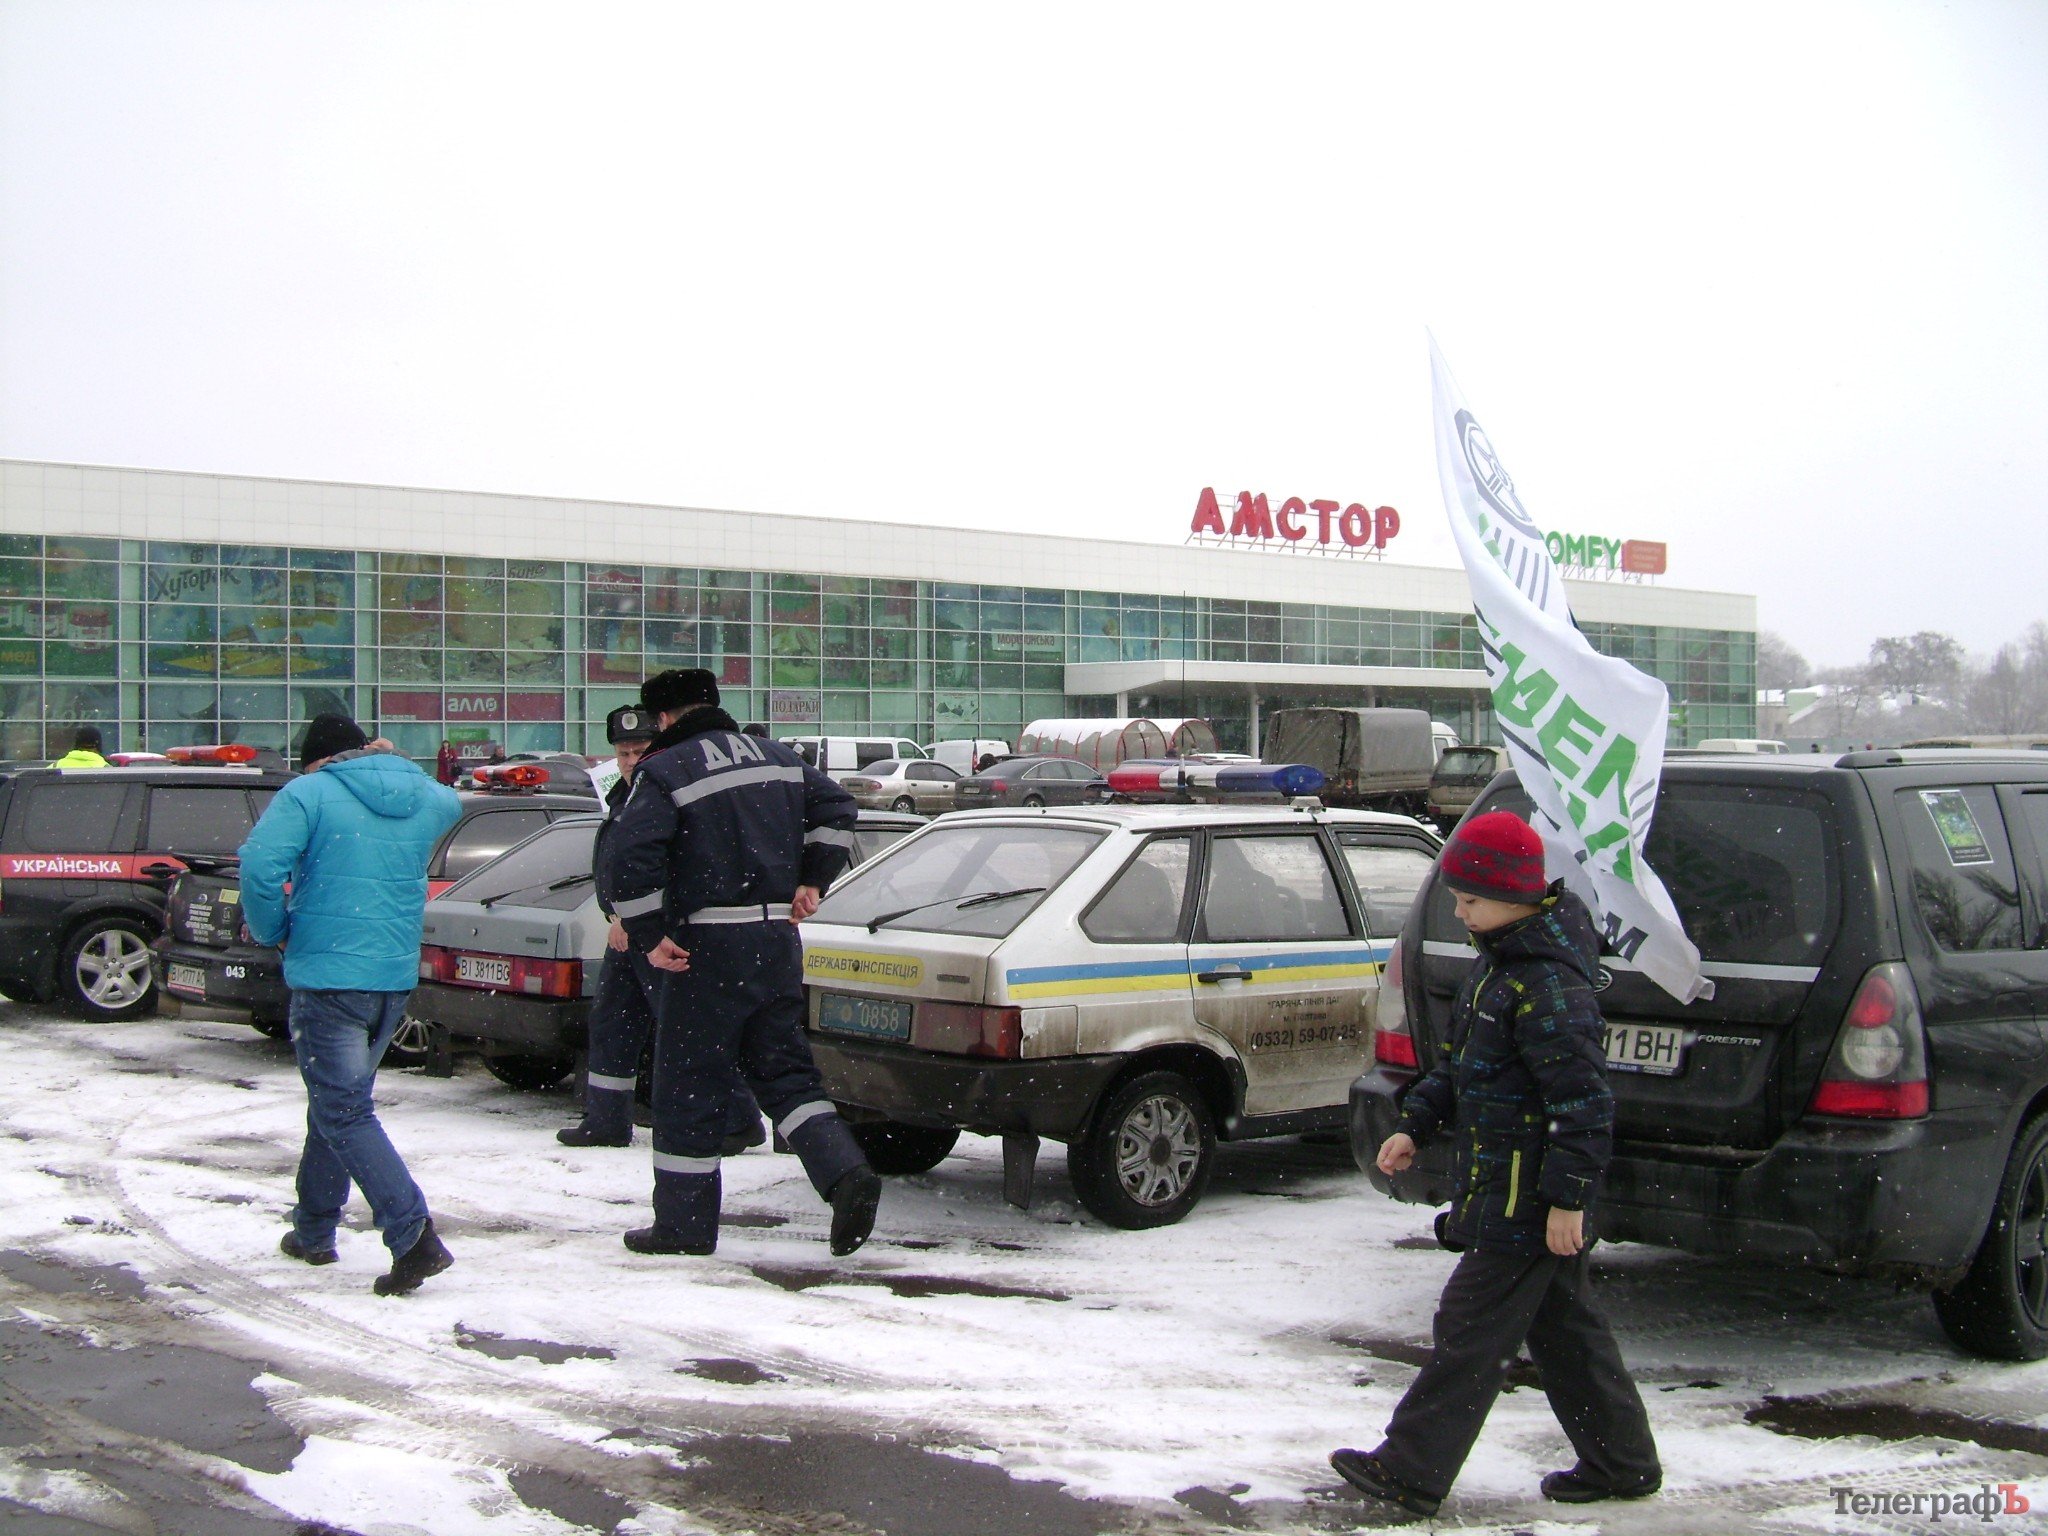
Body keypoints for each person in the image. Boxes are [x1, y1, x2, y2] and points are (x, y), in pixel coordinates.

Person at [1330, 811, 1659, 1518]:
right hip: (1504, 1184)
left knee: (1469, 1327)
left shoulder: (1547, 987)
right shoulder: (1499, 970)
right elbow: (1461, 1066)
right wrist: (1414, 1123)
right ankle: (1622, 1462)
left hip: (1530, 1196)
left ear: (1516, 898)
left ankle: (1410, 1470)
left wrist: (1568, 1200)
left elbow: (1584, 1104)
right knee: (1566, 1331)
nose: (1458, 910)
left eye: (1470, 899)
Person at [606, 667, 881, 1258]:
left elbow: (629, 859)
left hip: (702, 951)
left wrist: (648, 932)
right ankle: (844, 1172)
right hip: (775, 942)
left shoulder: (667, 768)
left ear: (664, 718)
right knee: (786, 1074)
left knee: (688, 1084)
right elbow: (838, 810)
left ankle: (683, 1227)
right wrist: (813, 879)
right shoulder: (778, 756)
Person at [238, 713, 462, 1296]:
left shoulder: (308, 792)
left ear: (317, 760)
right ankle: (313, 1230)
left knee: (343, 1111)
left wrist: (273, 931)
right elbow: (448, 799)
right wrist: (387, 762)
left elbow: (260, 868)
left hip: (329, 976)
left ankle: (413, 1237)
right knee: (337, 1102)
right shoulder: (422, 795)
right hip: (390, 976)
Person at [557, 704, 765, 1154]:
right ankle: (606, 1119)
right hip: (627, 932)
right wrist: (617, 917)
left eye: (639, 750)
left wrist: (639, 923)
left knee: (688, 1032)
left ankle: (739, 1119)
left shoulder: (669, 788)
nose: (630, 760)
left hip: (664, 936)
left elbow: (671, 867)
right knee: (612, 1025)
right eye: (623, 752)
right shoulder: (624, 794)